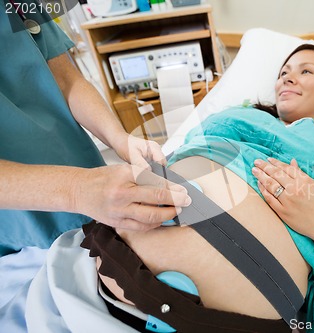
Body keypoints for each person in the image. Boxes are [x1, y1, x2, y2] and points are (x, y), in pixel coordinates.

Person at [83, 44, 314, 332]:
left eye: (306, 72)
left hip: (225, 312)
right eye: (284, 70)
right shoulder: (236, 117)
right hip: (115, 252)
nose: (287, 77)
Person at [0, 3, 190, 328]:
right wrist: (75, 191)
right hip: (21, 231)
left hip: (92, 195)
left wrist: (120, 139)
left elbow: (66, 80)